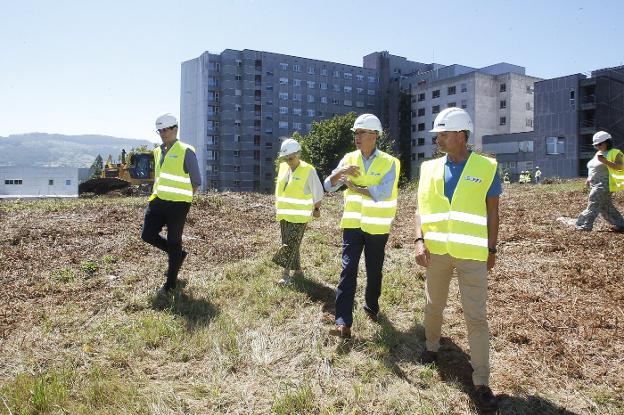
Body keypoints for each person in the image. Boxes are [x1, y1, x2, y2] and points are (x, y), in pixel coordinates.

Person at [414, 107, 501, 411]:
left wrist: (492, 249)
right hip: (436, 253)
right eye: (437, 134)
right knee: (433, 305)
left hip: (472, 256)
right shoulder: (428, 169)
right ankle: (431, 348)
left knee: (476, 317)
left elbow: (493, 211)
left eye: (444, 134)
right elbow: (421, 210)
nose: (438, 138)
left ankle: (482, 380)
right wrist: (419, 240)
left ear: (462, 135)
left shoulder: (487, 168)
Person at [324, 113, 400, 338]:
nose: (357, 137)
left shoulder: (390, 162)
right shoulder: (348, 158)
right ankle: (343, 322)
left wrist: (355, 187)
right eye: (355, 133)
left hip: (377, 227)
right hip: (352, 225)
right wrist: (341, 173)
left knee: (374, 270)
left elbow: (383, 193)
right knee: (348, 270)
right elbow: (328, 186)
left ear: (374, 136)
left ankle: (371, 307)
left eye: (361, 132)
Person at [141, 113, 201, 294]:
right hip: (158, 201)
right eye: (160, 130)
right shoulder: (158, 151)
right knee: (147, 235)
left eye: (166, 129)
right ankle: (178, 255)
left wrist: (184, 200)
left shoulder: (185, 151)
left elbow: (196, 181)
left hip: (178, 205)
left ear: (175, 129)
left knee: (175, 241)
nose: (163, 133)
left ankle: (170, 285)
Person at [272, 138, 324, 284]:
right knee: (291, 244)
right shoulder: (283, 168)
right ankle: (299, 271)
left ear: (298, 154)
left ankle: (285, 275)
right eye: (286, 158)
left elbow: (318, 192)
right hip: (283, 214)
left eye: (291, 157)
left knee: (290, 245)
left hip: (300, 216)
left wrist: (317, 209)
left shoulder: (309, 170)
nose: (289, 160)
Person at [576, 131, 624, 231]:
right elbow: (594, 168)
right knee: (605, 206)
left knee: (593, 203)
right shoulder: (599, 153)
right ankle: (621, 224)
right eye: (596, 145)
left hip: (605, 184)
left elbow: (620, 167)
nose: (598, 146)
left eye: (600, 144)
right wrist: (589, 179)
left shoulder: (615, 152)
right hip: (595, 183)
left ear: (608, 142)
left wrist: (606, 162)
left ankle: (584, 225)